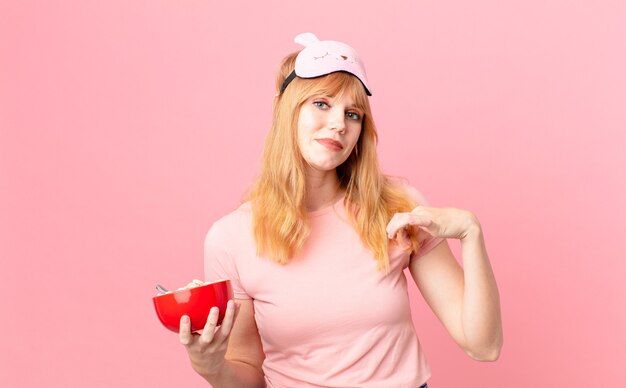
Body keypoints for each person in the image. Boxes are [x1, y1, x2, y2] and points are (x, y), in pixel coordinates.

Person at [178, 32, 503, 388]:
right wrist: (211, 367)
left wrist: (471, 233)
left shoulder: (398, 207)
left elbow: (483, 346)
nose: (339, 124)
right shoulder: (231, 237)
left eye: (353, 114)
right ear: (287, 110)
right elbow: (246, 372)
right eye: (321, 103)